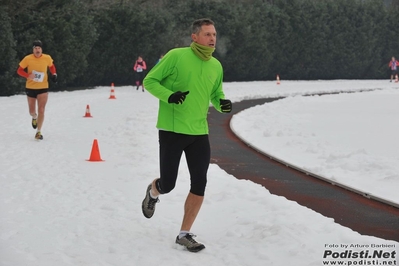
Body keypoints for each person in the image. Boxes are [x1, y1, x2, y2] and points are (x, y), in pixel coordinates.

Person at [141, 18, 232, 252]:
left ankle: (184, 233)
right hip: (172, 130)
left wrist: (222, 104)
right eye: (207, 34)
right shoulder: (176, 56)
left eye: (214, 34)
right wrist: (169, 96)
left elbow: (216, 93)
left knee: (199, 182)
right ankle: (153, 191)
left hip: (199, 132)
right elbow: (149, 80)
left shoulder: (216, 66)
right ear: (195, 37)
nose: (212, 38)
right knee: (168, 184)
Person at [17, 40, 57, 140]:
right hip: (30, 87)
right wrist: (28, 75)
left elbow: (52, 66)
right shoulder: (28, 58)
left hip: (43, 87)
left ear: (41, 49)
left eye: (39, 48)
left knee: (41, 109)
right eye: (35, 48)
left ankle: (38, 132)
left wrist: (54, 74)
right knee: (32, 111)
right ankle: (34, 117)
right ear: (33, 50)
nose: (37, 50)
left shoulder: (47, 58)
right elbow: (19, 70)